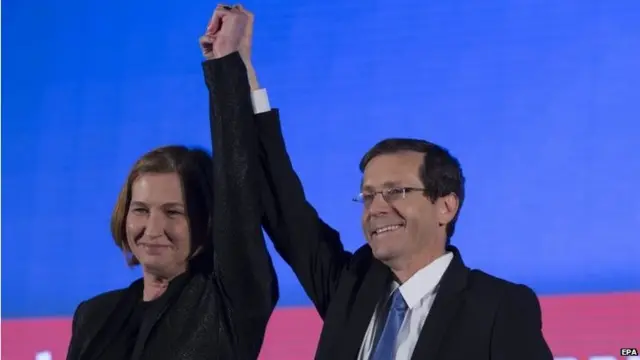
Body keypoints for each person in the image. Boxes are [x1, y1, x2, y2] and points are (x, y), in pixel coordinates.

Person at [208, 5, 554, 360]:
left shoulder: (498, 306)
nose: (376, 208)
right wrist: (235, 68)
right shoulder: (351, 286)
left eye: (396, 192)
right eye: (368, 195)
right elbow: (279, 199)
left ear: (446, 206)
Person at [65, 7, 278, 360]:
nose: (153, 228)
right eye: (141, 210)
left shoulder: (230, 304)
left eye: (173, 212)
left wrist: (227, 70)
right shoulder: (94, 316)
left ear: (208, 221)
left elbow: (237, 190)